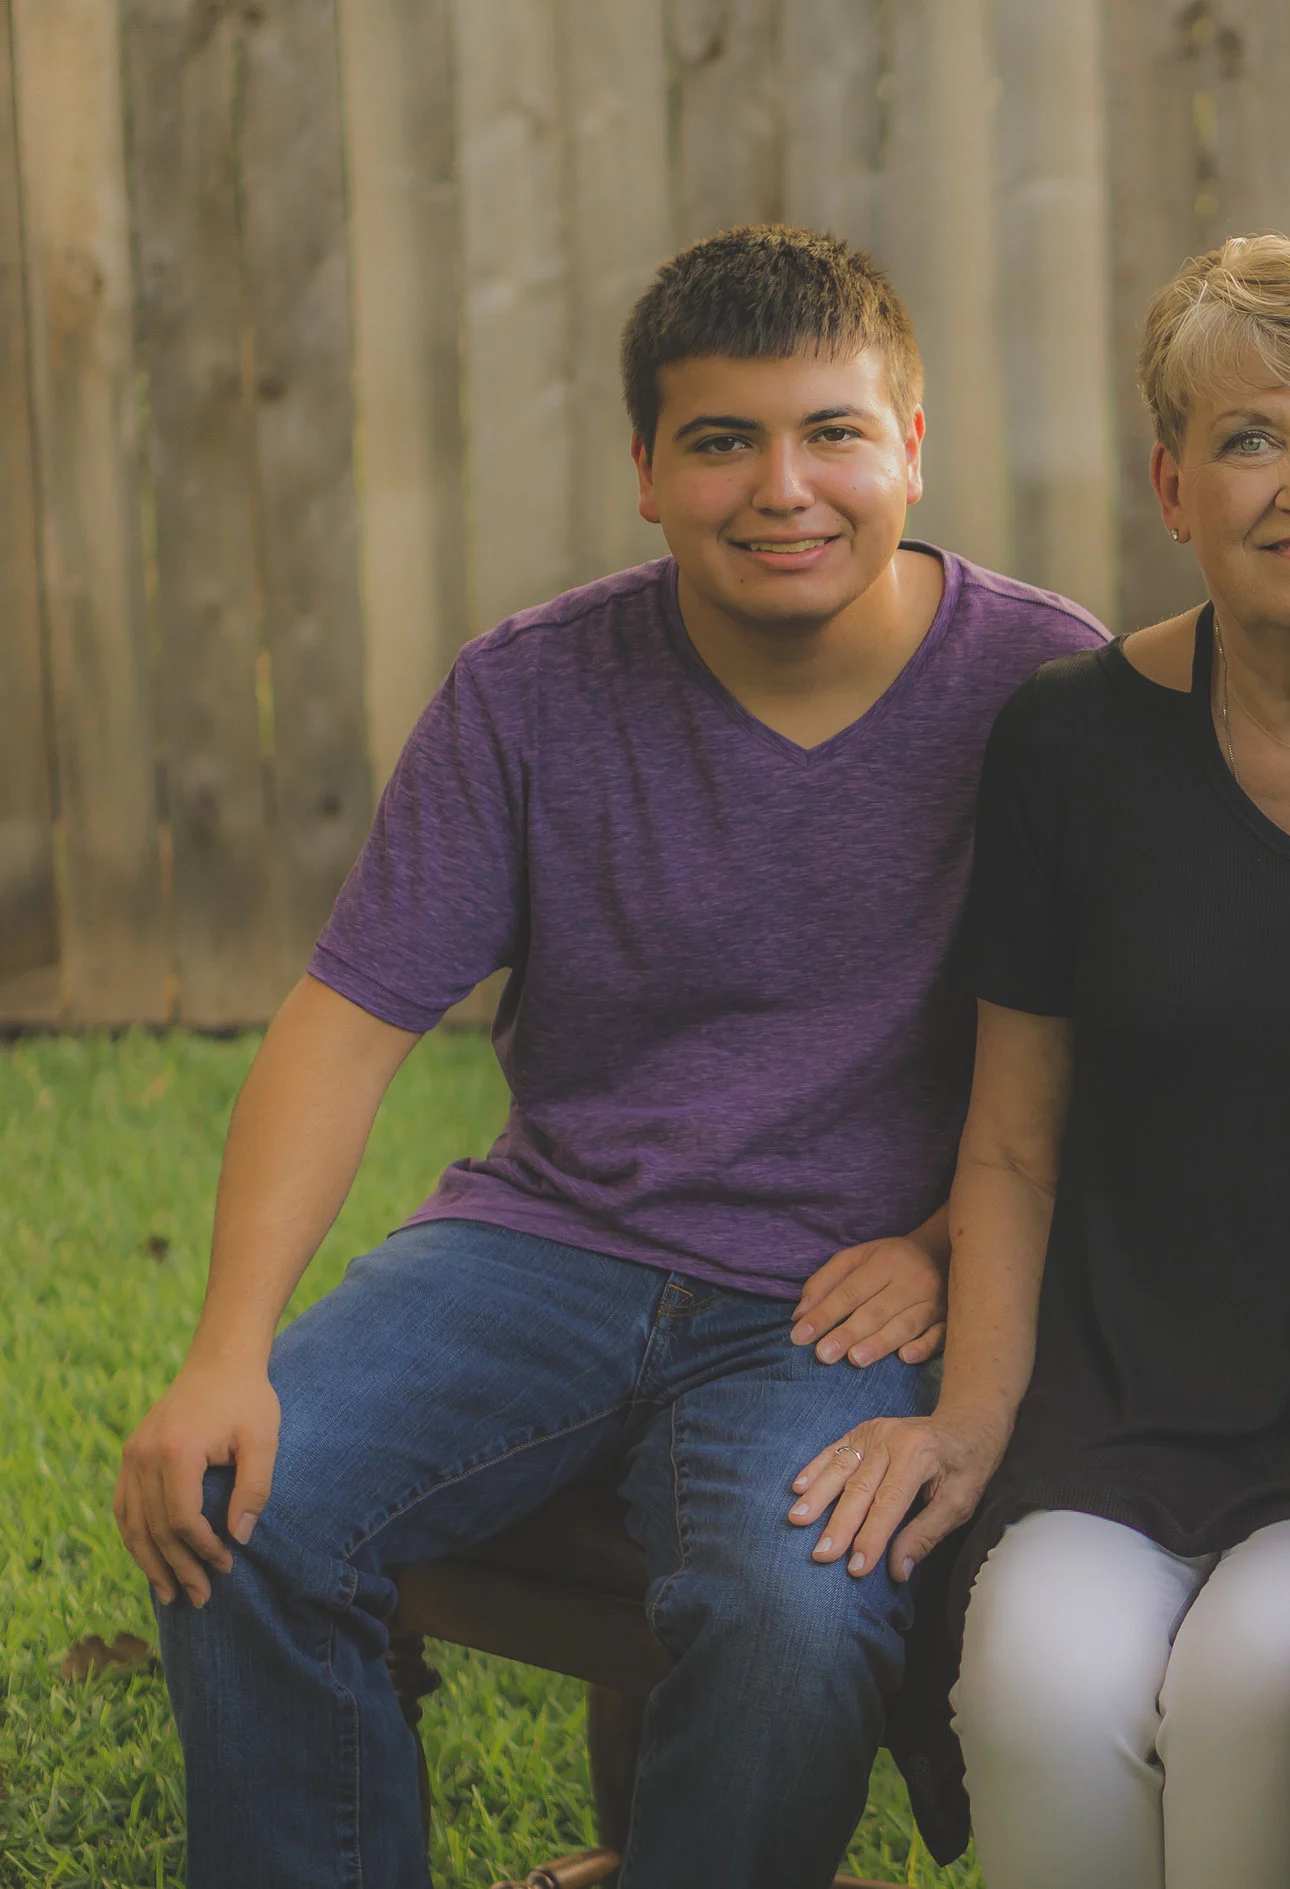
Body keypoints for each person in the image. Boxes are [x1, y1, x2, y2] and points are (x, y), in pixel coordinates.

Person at [111, 224, 1106, 1889]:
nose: (782, 488)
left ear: (912, 449)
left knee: (792, 1621)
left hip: (839, 1297)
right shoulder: (528, 692)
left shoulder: (1045, 689)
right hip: (542, 1244)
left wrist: (947, 1245)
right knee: (245, 1508)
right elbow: (343, 1026)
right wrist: (229, 1349)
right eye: (722, 442)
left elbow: (1120, 1058)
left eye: (834, 434)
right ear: (646, 470)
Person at [786, 235, 1290, 1889]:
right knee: (1029, 1684)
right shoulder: (1072, 745)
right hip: (1129, 1385)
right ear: (1171, 484)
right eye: (1247, 440)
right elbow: (1012, 1143)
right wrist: (971, 1421)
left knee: (1255, 1689)